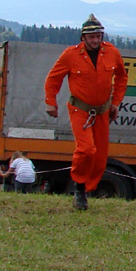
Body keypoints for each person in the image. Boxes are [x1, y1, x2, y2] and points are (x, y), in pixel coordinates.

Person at [45, 14, 128, 210]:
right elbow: (53, 79)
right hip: (79, 110)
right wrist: (51, 103)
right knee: (86, 149)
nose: (95, 40)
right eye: (91, 36)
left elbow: (122, 78)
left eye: (98, 36)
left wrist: (115, 103)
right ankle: (79, 189)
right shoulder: (70, 55)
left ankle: (87, 190)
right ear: (83, 38)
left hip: (102, 112)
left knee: (99, 158)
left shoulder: (111, 52)